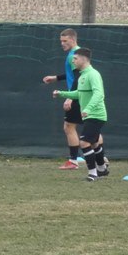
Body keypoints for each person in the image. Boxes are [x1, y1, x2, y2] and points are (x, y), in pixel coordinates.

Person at [42, 28, 105, 170]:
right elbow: (73, 74)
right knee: (92, 128)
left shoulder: (74, 55)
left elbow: (78, 77)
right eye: (61, 41)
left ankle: (73, 161)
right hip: (81, 95)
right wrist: (56, 78)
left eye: (65, 41)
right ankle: (102, 158)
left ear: (72, 39)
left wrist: (69, 97)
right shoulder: (78, 53)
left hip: (77, 95)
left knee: (69, 126)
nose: (62, 44)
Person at [53, 48, 109, 182]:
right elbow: (79, 93)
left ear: (84, 59)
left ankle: (93, 173)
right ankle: (102, 169)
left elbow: (99, 94)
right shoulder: (83, 75)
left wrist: (88, 109)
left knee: (84, 142)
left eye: (75, 58)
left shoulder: (93, 74)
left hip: (96, 115)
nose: (73, 61)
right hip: (89, 114)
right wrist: (62, 94)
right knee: (94, 143)